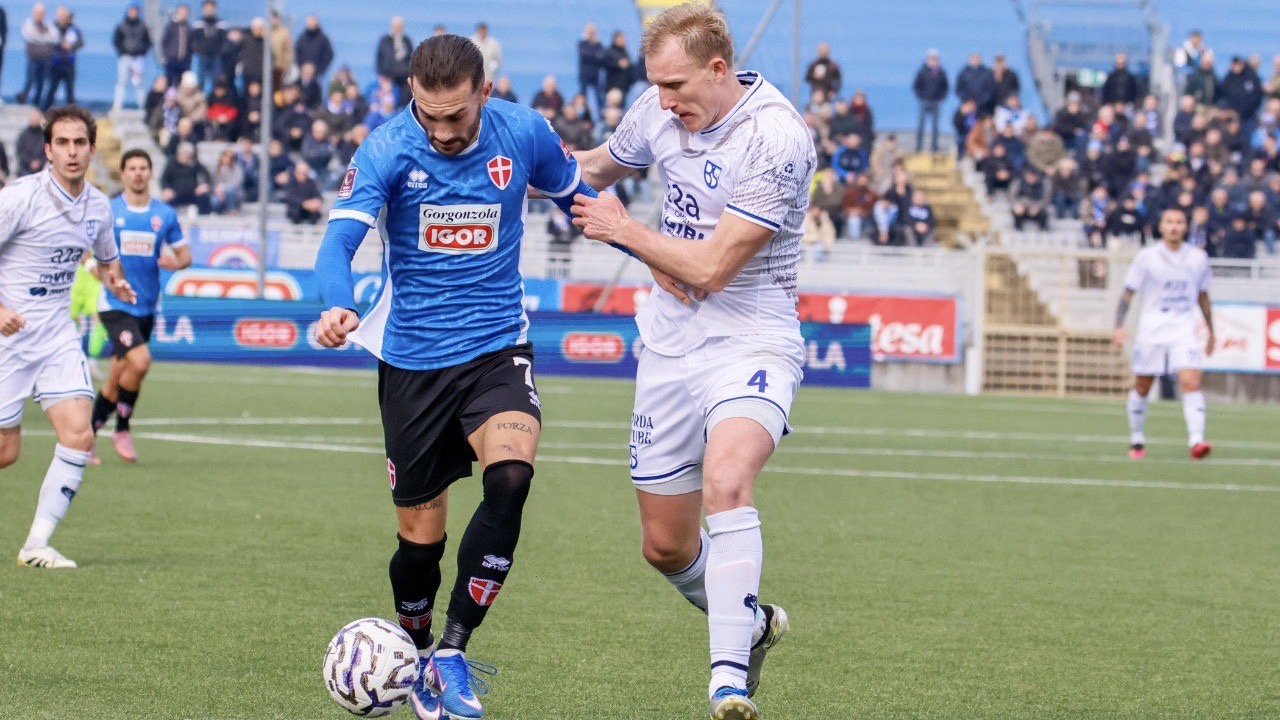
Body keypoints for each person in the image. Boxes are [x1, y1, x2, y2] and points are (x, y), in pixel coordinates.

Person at [312, 34, 593, 720]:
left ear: (485, 94)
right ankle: (413, 651)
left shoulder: (524, 133)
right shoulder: (385, 148)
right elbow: (338, 241)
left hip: (497, 348)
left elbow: (579, 197)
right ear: (410, 93)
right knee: (421, 542)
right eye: (427, 115)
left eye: (456, 117)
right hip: (412, 362)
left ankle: (453, 651)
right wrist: (335, 302)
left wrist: (651, 253)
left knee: (512, 477)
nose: (440, 132)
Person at [570, 5, 810, 718]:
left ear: (718, 68)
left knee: (727, 480)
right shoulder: (659, 109)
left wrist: (626, 231)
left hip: (752, 340)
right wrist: (502, 161)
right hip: (669, 345)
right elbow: (591, 169)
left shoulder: (776, 137)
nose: (664, 99)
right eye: (656, 85)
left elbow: (710, 269)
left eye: (674, 84)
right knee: (665, 547)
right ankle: (752, 624)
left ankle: (727, 681)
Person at [0, 105, 136, 569]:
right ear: (48, 150)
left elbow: (106, 259)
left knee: (78, 435)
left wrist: (115, 280)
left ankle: (36, 544)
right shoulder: (20, 198)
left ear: (93, 150)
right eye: (62, 143)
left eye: (80, 143)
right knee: (7, 452)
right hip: (9, 340)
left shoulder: (98, 206)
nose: (72, 151)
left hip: (56, 336)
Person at [90, 149, 190, 463]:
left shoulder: (164, 215)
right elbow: (89, 257)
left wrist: (175, 263)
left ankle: (86, 436)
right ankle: (122, 428)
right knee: (142, 361)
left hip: (146, 306)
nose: (137, 173)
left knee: (117, 377)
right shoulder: (109, 211)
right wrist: (108, 281)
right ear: (122, 173)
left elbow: (185, 256)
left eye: (143, 168)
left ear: (150, 172)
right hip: (115, 304)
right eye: (131, 168)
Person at [1113, 208, 1215, 461]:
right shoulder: (1147, 257)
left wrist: (1211, 330)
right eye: (1169, 222)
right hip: (1152, 328)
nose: (1174, 226)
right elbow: (1128, 293)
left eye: (1179, 222)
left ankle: (1197, 441)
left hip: (1184, 327)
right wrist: (1118, 325)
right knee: (1142, 385)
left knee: (1191, 381)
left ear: (1186, 227)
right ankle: (1137, 438)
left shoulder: (1198, 258)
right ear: (1161, 227)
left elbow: (1203, 296)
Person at [111, 3, 151, 112]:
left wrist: (142, 52)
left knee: (139, 83)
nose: (133, 13)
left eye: (135, 11)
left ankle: (143, 105)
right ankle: (117, 105)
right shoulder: (121, 25)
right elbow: (116, 40)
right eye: (131, 11)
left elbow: (148, 41)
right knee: (121, 82)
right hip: (125, 57)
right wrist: (122, 52)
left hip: (138, 58)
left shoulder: (143, 26)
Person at [18, 3, 58, 106]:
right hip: (33, 58)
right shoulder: (28, 23)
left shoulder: (48, 25)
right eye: (38, 12)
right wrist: (44, 38)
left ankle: (36, 104)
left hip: (45, 58)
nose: (40, 15)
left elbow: (54, 37)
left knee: (41, 82)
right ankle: (23, 100)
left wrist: (40, 36)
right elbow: (30, 36)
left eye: (41, 13)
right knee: (30, 80)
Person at [42, 6, 81, 110]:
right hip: (55, 63)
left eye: (64, 15)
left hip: (69, 64)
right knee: (52, 89)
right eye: (60, 15)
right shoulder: (51, 28)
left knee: (70, 91)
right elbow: (46, 41)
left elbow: (80, 43)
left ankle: (72, 112)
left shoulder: (73, 29)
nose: (62, 18)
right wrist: (60, 44)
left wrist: (71, 46)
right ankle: (45, 111)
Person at [912, 49, 948, 152]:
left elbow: (945, 87)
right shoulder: (922, 71)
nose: (933, 61)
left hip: (936, 102)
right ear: (928, 59)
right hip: (925, 102)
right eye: (931, 58)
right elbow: (916, 86)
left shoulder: (941, 72)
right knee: (921, 125)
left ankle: (934, 147)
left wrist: (941, 98)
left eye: (935, 59)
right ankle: (918, 147)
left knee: (935, 126)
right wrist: (922, 97)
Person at [191, 0, 225, 94]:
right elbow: (193, 39)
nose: (209, 9)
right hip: (202, 56)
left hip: (216, 56)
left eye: (211, 7)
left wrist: (220, 51)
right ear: (203, 9)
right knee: (200, 79)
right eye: (207, 7)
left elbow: (224, 40)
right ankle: (200, 99)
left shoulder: (220, 23)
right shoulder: (198, 23)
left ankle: (213, 100)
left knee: (216, 80)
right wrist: (198, 49)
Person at [160, 4, 192, 90]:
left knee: (182, 83)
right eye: (181, 12)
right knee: (170, 82)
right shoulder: (171, 26)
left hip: (184, 61)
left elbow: (191, 45)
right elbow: (164, 42)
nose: (183, 14)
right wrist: (168, 55)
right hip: (172, 60)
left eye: (185, 13)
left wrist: (188, 57)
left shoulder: (189, 28)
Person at [577, 23, 605, 111]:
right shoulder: (582, 43)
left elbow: (602, 56)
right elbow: (585, 54)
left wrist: (594, 54)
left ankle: (601, 113)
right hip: (584, 74)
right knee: (583, 96)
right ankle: (583, 113)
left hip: (595, 75)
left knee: (599, 96)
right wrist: (595, 55)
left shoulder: (598, 44)